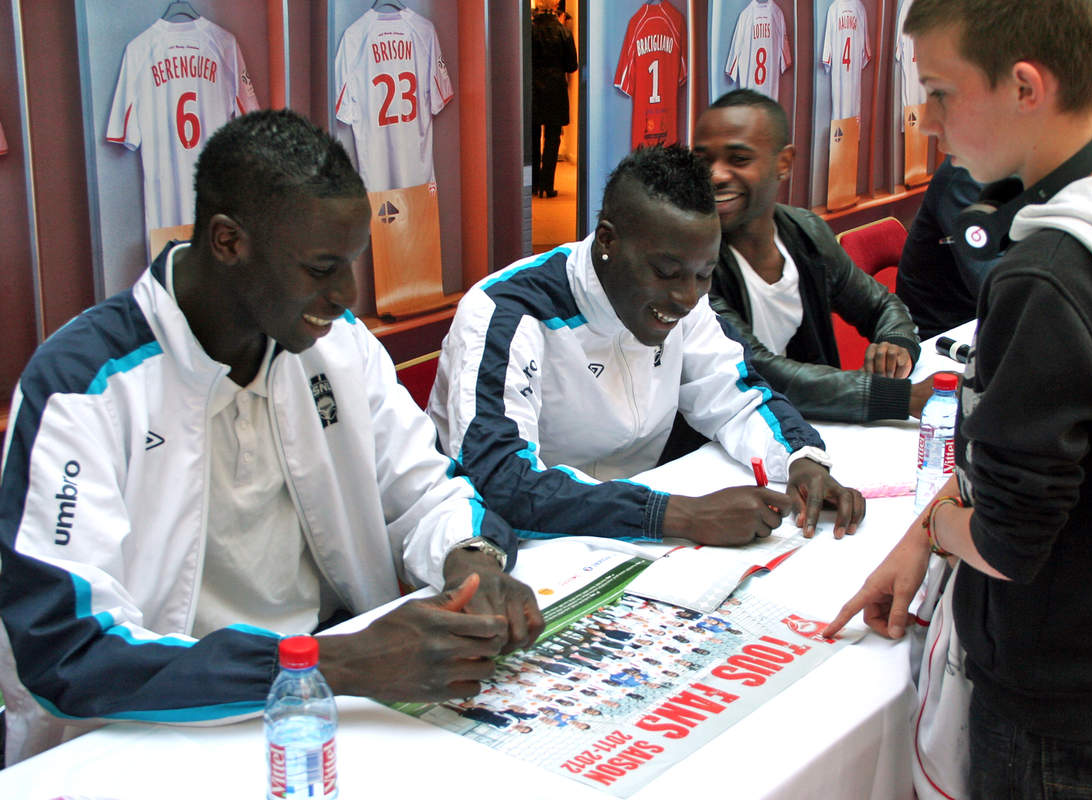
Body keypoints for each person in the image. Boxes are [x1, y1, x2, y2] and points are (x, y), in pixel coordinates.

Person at [0, 109, 543, 765]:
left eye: (352, 265)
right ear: (228, 241)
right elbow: (65, 653)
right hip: (154, 730)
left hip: (333, 699)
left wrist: (473, 557)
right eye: (321, 269)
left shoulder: (336, 348)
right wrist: (333, 663)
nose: (346, 295)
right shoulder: (82, 387)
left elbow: (428, 490)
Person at [824, 2, 1092, 798]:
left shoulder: (1047, 278)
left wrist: (941, 525)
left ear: (1024, 86)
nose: (927, 121)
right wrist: (935, 528)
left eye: (940, 91)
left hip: (1050, 680)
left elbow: (1009, 539)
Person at [428, 145, 865, 546]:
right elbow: (504, 484)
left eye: (704, 274)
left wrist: (800, 461)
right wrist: (679, 515)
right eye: (666, 271)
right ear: (607, 241)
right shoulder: (507, 313)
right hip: (519, 546)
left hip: (635, 533)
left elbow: (738, 396)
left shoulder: (684, 299)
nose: (687, 298)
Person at [694, 89, 931, 424]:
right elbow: (760, 371)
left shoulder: (806, 233)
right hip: (727, 444)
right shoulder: (692, 261)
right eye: (703, 161)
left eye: (739, 159)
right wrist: (902, 398)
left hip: (812, 430)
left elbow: (880, 305)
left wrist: (896, 344)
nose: (715, 175)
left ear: (784, 163)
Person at [895, 158, 998, 339]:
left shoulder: (1027, 168)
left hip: (979, 321)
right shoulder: (967, 175)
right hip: (942, 336)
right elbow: (995, 288)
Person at [530, 0, 577, 198]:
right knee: (552, 139)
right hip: (555, 89)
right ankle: (546, 186)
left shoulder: (529, 31)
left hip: (532, 88)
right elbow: (572, 65)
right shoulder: (563, 32)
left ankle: (532, 183)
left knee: (532, 138)